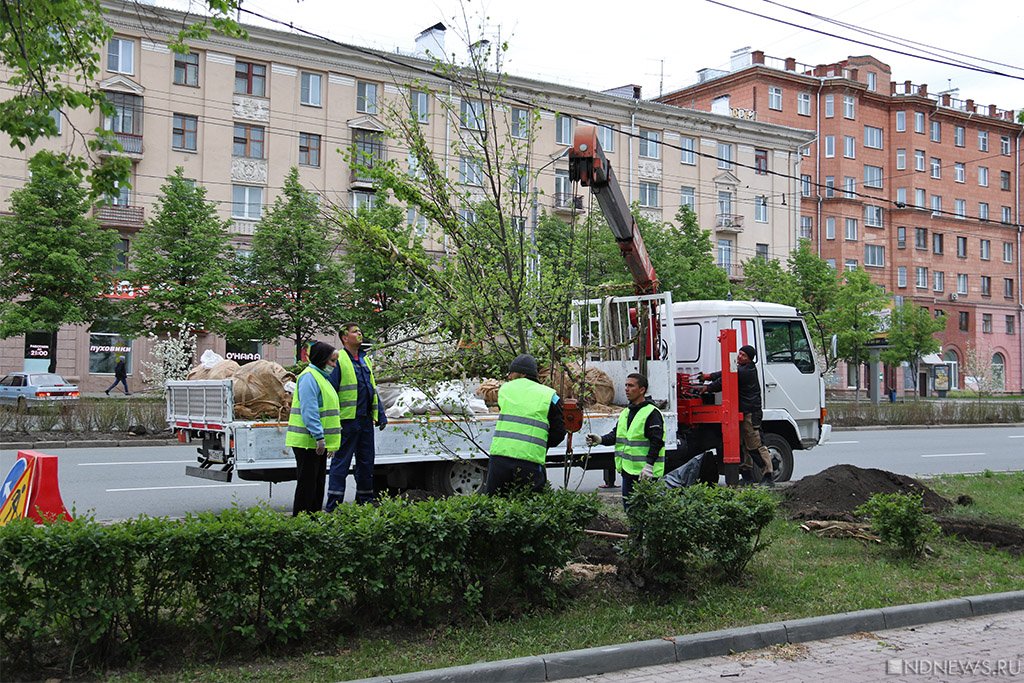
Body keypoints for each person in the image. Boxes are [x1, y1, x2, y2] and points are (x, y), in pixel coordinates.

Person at [325, 323, 386, 510]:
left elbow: (372, 388)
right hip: (347, 421)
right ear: (345, 337)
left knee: (366, 463)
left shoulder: (365, 360)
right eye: (355, 332)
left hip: (365, 420)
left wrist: (380, 413)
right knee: (341, 463)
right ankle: (334, 506)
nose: (360, 334)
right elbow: (331, 392)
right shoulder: (339, 359)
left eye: (360, 331)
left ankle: (364, 502)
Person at [486, 353, 566, 495]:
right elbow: (559, 432)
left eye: (512, 372)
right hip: (530, 461)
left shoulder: (504, 390)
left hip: (499, 459)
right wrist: (540, 444)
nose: (509, 376)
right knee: (531, 508)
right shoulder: (551, 396)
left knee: (495, 505)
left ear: (522, 374)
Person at [585, 373, 665, 508]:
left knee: (646, 512)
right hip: (628, 472)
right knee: (630, 510)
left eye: (631, 386)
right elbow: (617, 435)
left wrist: (649, 466)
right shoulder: (626, 412)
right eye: (626, 385)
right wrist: (600, 439)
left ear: (642, 390)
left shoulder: (652, 413)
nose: (626, 389)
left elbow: (657, 442)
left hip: (645, 474)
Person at [698, 344, 774, 485]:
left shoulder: (746, 371)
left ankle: (768, 475)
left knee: (755, 445)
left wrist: (707, 387)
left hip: (751, 413)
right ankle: (747, 477)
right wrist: (708, 376)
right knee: (744, 445)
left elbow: (725, 379)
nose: (740, 356)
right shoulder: (742, 368)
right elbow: (726, 372)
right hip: (743, 411)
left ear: (750, 359)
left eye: (743, 355)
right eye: (739, 353)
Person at [285, 341, 340, 515]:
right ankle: (303, 521)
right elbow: (309, 411)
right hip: (308, 442)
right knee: (308, 485)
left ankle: (313, 520)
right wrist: (319, 437)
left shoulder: (320, 377)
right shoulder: (309, 377)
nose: (334, 365)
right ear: (321, 359)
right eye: (332, 361)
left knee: (316, 484)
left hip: (314, 442)